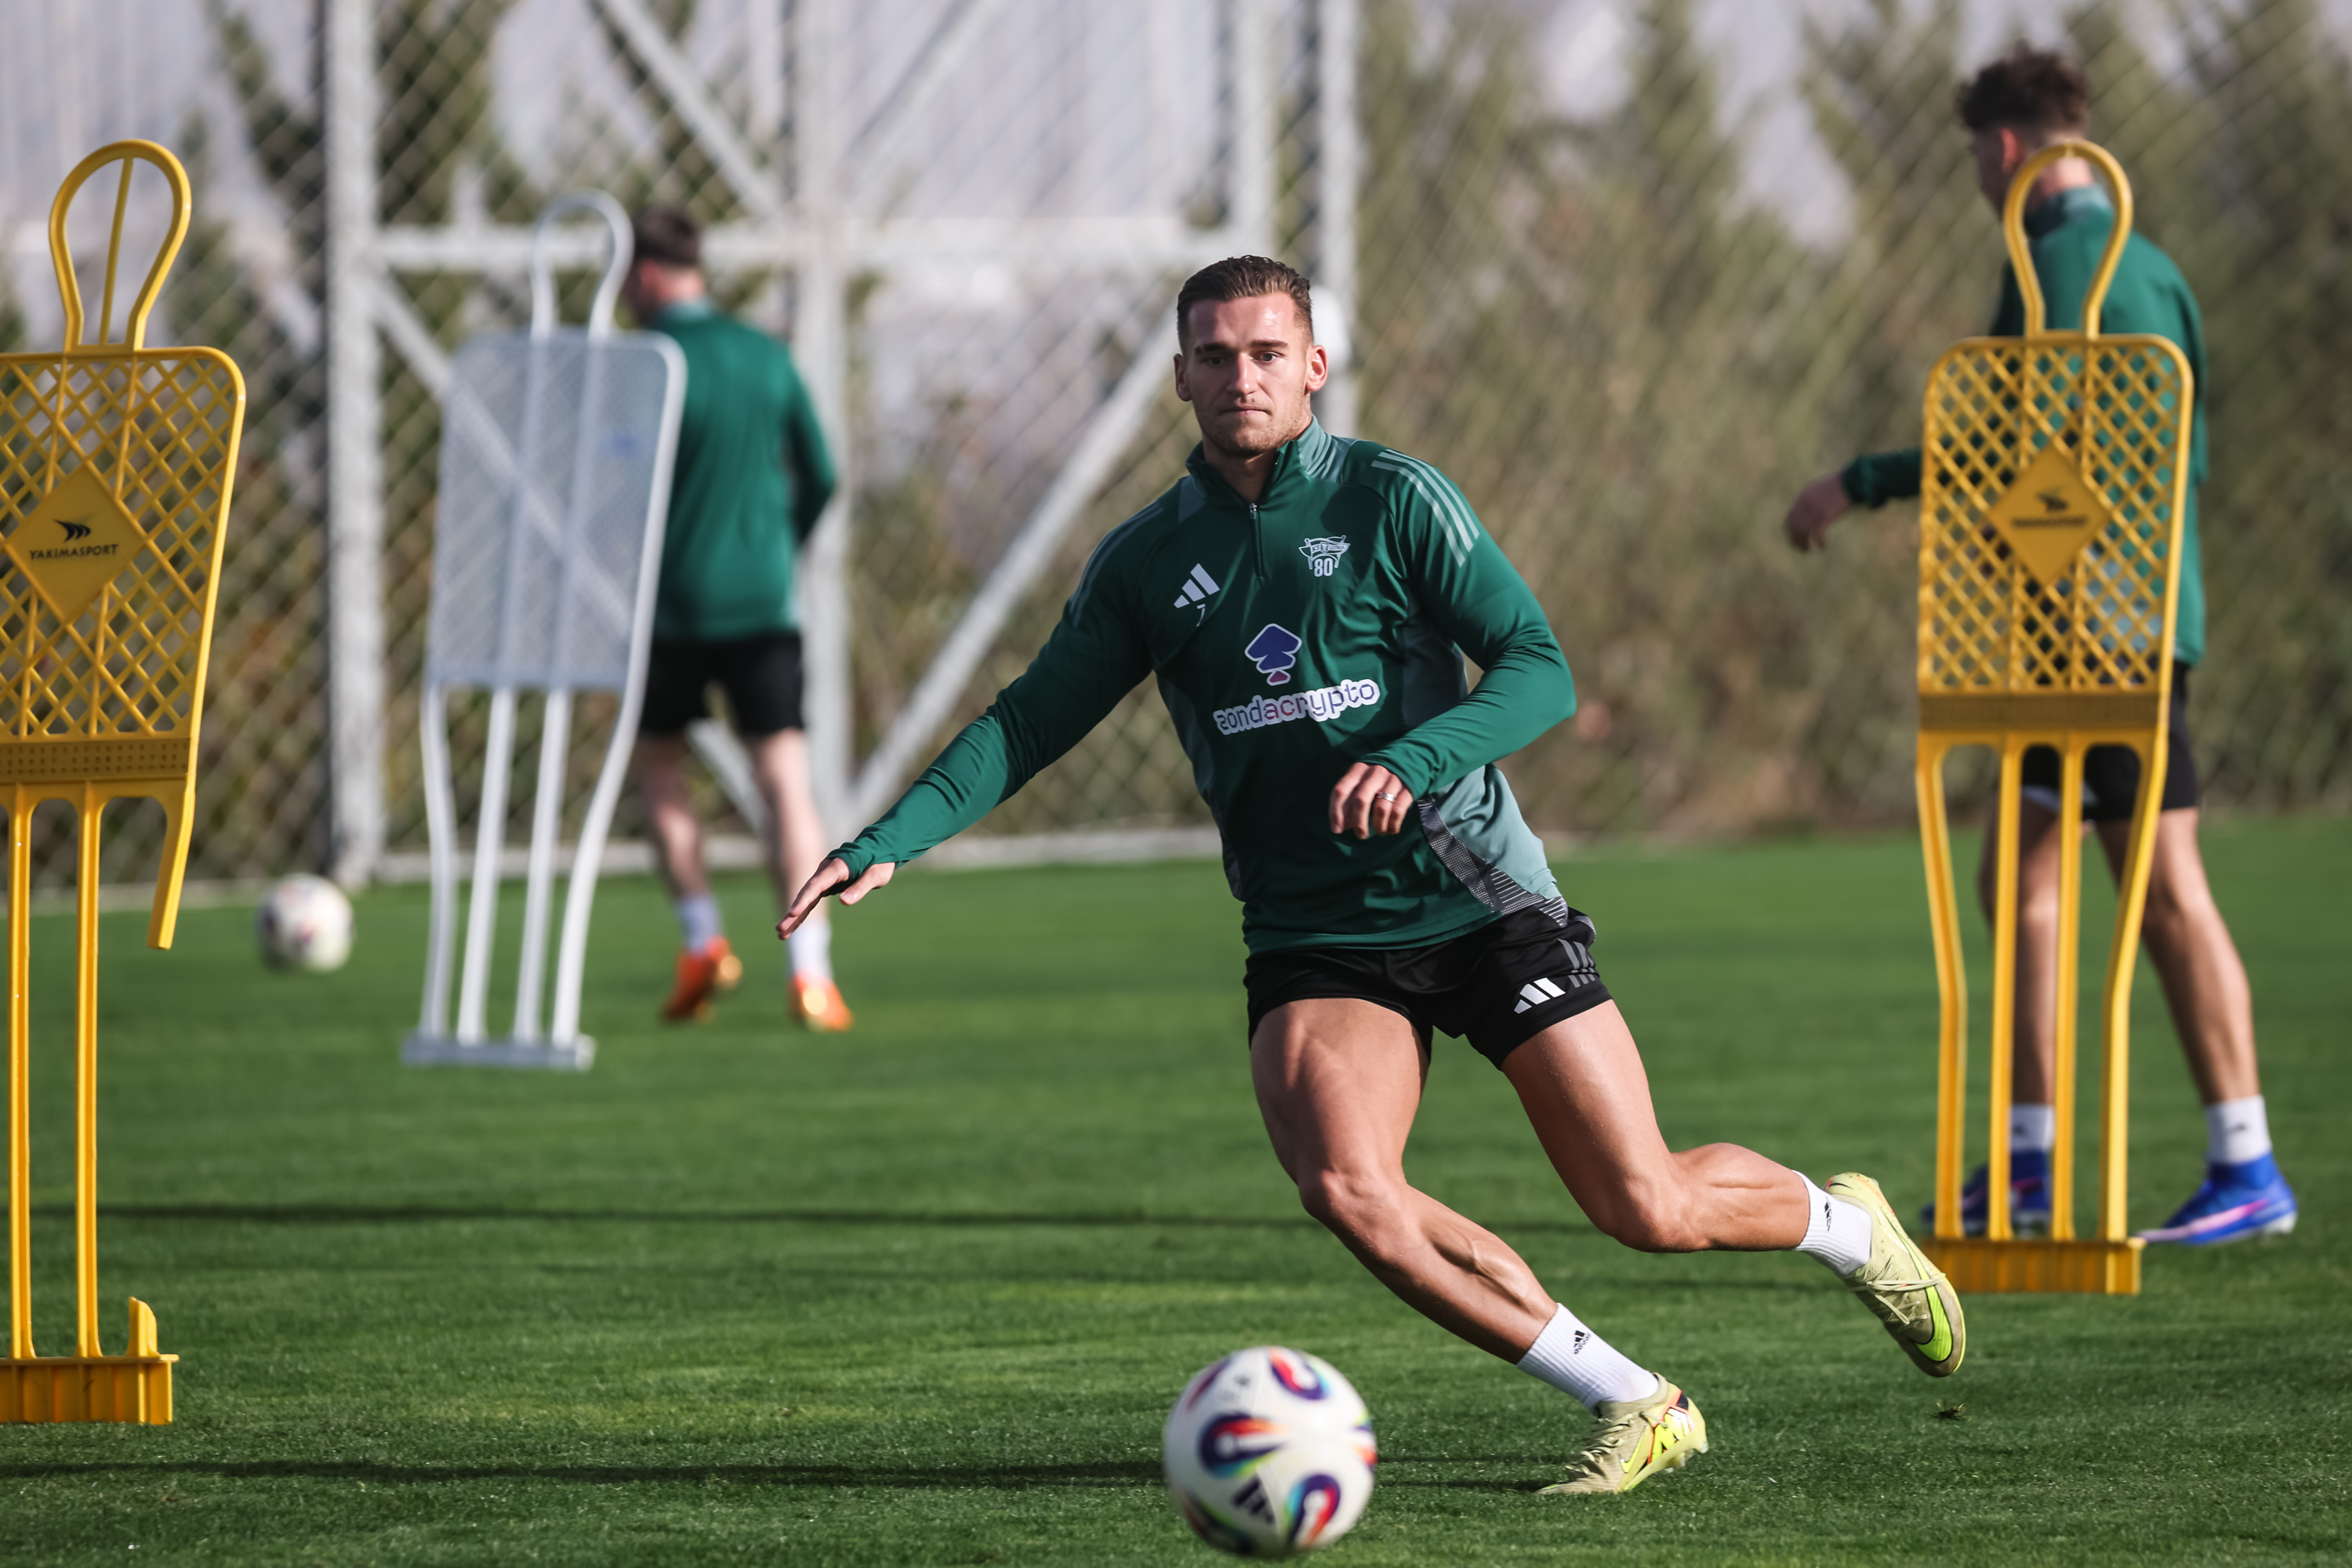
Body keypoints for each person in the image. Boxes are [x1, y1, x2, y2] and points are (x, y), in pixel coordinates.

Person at [782, 255, 1965, 1495]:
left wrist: (1415, 756)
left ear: (1314, 365)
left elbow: (1537, 666)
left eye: (1266, 354)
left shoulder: (1392, 497)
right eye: (1214, 356)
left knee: (1648, 1207)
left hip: (1476, 898)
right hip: (1313, 934)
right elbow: (1030, 720)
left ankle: (1847, 1228)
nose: (1242, 377)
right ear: (1181, 377)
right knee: (1349, 1190)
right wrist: (886, 840)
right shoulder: (1148, 560)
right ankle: (1636, 1400)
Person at [1782, 49, 2294, 1246]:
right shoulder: (2153, 267)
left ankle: (2246, 1163)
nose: (1976, 175)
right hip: (2117, 619)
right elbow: (2179, 454)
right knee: (2020, 877)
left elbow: (2014, 443)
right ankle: (2029, 1161)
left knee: (2162, 888)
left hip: (2100, 629)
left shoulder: (2056, 260)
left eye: (1975, 154)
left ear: (2006, 148)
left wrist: (1860, 481)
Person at [623, 205, 852, 1031]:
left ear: (646, 275)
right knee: (784, 779)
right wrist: (778, 546)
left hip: (666, 608)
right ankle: (811, 972)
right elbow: (822, 474)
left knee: (658, 767)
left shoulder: (644, 362)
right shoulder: (765, 354)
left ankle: (703, 942)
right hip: (762, 604)